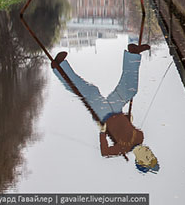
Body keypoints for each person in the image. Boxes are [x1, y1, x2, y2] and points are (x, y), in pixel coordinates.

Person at [52, 41, 159, 173]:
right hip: (116, 109)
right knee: (129, 91)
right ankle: (133, 55)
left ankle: (59, 67)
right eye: (151, 154)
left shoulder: (123, 149)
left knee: (89, 92)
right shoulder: (140, 136)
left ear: (139, 160)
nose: (148, 151)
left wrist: (102, 132)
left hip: (104, 116)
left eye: (147, 157)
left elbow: (105, 152)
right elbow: (123, 126)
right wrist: (127, 118)